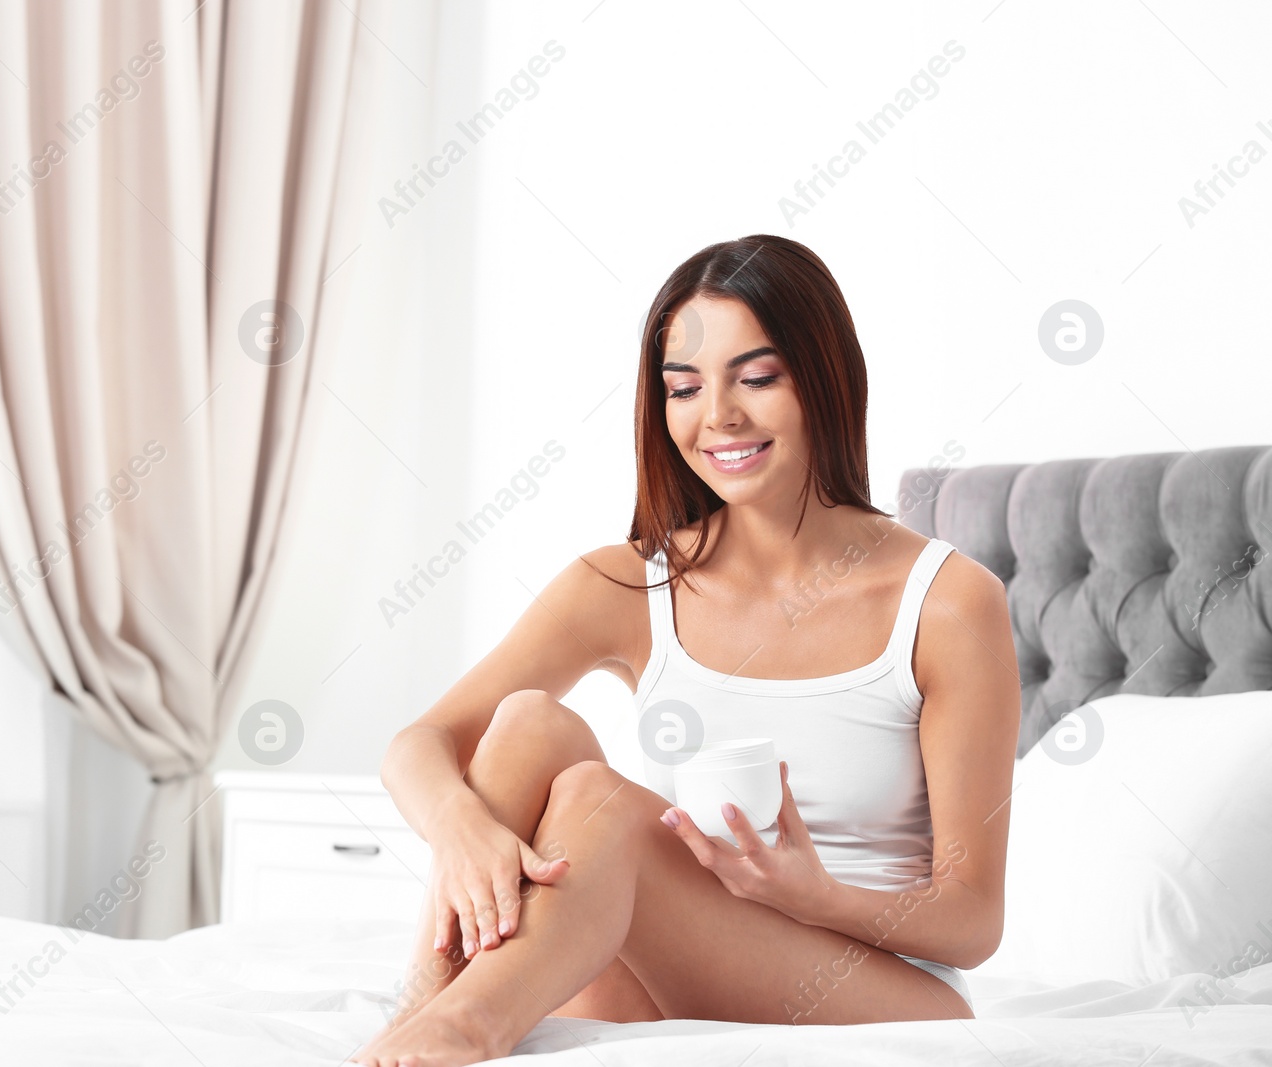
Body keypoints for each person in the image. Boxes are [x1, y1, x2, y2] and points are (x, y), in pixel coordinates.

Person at [350, 235, 1019, 1067]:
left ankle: (461, 1028)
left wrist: (817, 896)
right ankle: (422, 1008)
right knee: (526, 723)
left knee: (601, 804)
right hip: (676, 960)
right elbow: (415, 745)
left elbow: (973, 920)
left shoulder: (950, 602)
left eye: (758, 377)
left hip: (877, 989)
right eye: (685, 387)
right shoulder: (628, 581)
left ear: (826, 378)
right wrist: (460, 830)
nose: (718, 417)